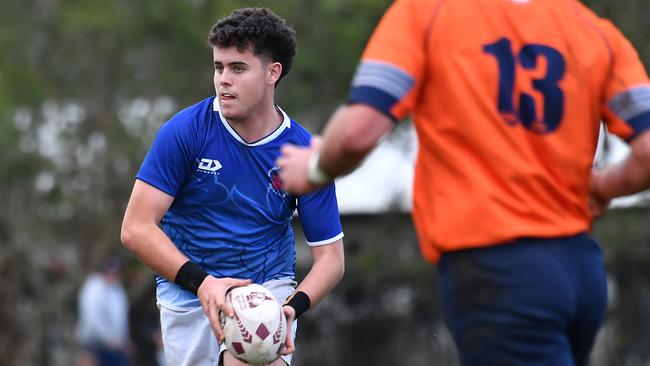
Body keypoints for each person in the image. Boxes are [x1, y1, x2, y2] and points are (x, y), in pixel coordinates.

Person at [276, 0, 650, 365]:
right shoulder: (595, 32)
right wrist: (601, 188)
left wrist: (315, 168)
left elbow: (357, 134)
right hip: (581, 271)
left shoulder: (426, 14)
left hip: (498, 274)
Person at [120, 7, 344, 366]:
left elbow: (331, 259)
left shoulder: (302, 154)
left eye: (238, 68)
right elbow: (135, 228)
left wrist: (290, 309)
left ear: (273, 73)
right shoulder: (185, 132)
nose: (223, 79)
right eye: (218, 67)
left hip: (266, 289)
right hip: (189, 292)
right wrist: (203, 282)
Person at [75, 258, 130, 366]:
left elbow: (121, 319)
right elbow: (92, 316)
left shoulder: (118, 290)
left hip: (115, 344)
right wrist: (107, 339)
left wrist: (124, 340)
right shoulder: (94, 287)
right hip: (95, 343)